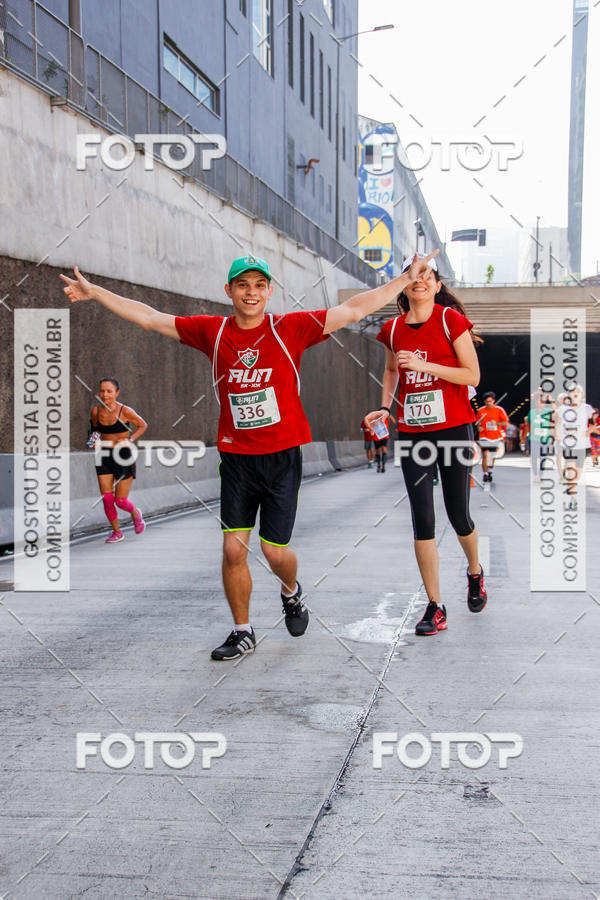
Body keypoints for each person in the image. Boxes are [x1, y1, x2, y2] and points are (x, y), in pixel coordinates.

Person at [61, 251, 439, 660]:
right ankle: (243, 630)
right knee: (233, 549)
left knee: (275, 551)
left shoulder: (289, 329)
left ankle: (291, 592)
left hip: (281, 457)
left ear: (269, 291)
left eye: (259, 285)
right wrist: (96, 292)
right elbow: (150, 318)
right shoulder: (214, 332)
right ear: (229, 291)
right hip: (237, 459)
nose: (251, 293)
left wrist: (404, 280)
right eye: (243, 285)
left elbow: (351, 310)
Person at [366, 252, 486, 637]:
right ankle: (435, 605)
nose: (419, 280)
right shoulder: (393, 330)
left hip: (454, 429)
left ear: (436, 286)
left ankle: (474, 570)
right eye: (412, 275)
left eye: (427, 275)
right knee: (422, 520)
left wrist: (426, 366)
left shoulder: (451, 321)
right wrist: (385, 408)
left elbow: (472, 374)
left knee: (458, 515)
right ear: (404, 284)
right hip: (415, 433)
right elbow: (389, 370)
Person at [89, 378, 147, 543]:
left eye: (109, 391)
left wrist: (130, 439)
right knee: (107, 498)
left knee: (120, 500)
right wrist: (93, 442)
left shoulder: (125, 411)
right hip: (104, 456)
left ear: (116, 393)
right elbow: (94, 430)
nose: (105, 395)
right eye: (102, 391)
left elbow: (143, 425)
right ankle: (117, 532)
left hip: (123, 456)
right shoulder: (95, 412)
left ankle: (135, 513)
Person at [555, 384, 595, 489]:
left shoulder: (587, 408)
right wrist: (558, 433)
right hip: (568, 444)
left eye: (578, 392)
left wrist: (589, 430)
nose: (575, 393)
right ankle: (572, 498)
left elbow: (593, 422)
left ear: (582, 395)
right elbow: (558, 423)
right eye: (573, 392)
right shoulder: (562, 409)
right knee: (571, 471)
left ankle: (572, 489)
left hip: (582, 445)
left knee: (577, 474)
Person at [475, 392, 509, 483]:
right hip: (484, 436)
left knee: (492, 457)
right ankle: (485, 474)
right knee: (485, 454)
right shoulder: (481, 411)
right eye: (486, 401)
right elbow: (477, 423)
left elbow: (506, 423)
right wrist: (479, 428)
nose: (488, 403)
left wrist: (497, 423)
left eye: (490, 401)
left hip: (495, 437)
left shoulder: (499, 410)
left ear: (493, 401)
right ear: (484, 402)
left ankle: (489, 470)